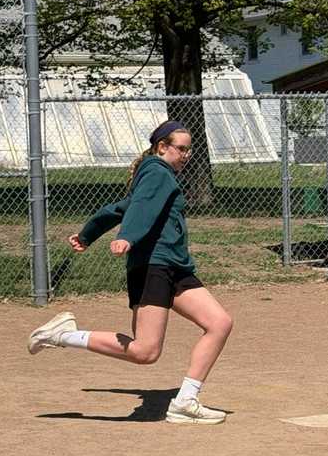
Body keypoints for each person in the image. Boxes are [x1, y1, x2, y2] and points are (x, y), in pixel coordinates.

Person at [27, 120, 233, 425]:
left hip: (173, 265)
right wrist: (129, 236)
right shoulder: (156, 170)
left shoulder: (157, 174)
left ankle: (186, 400)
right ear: (162, 147)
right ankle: (63, 335)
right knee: (145, 351)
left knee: (219, 323)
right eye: (181, 148)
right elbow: (142, 209)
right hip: (154, 266)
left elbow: (121, 207)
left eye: (190, 149)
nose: (186, 155)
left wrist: (87, 234)